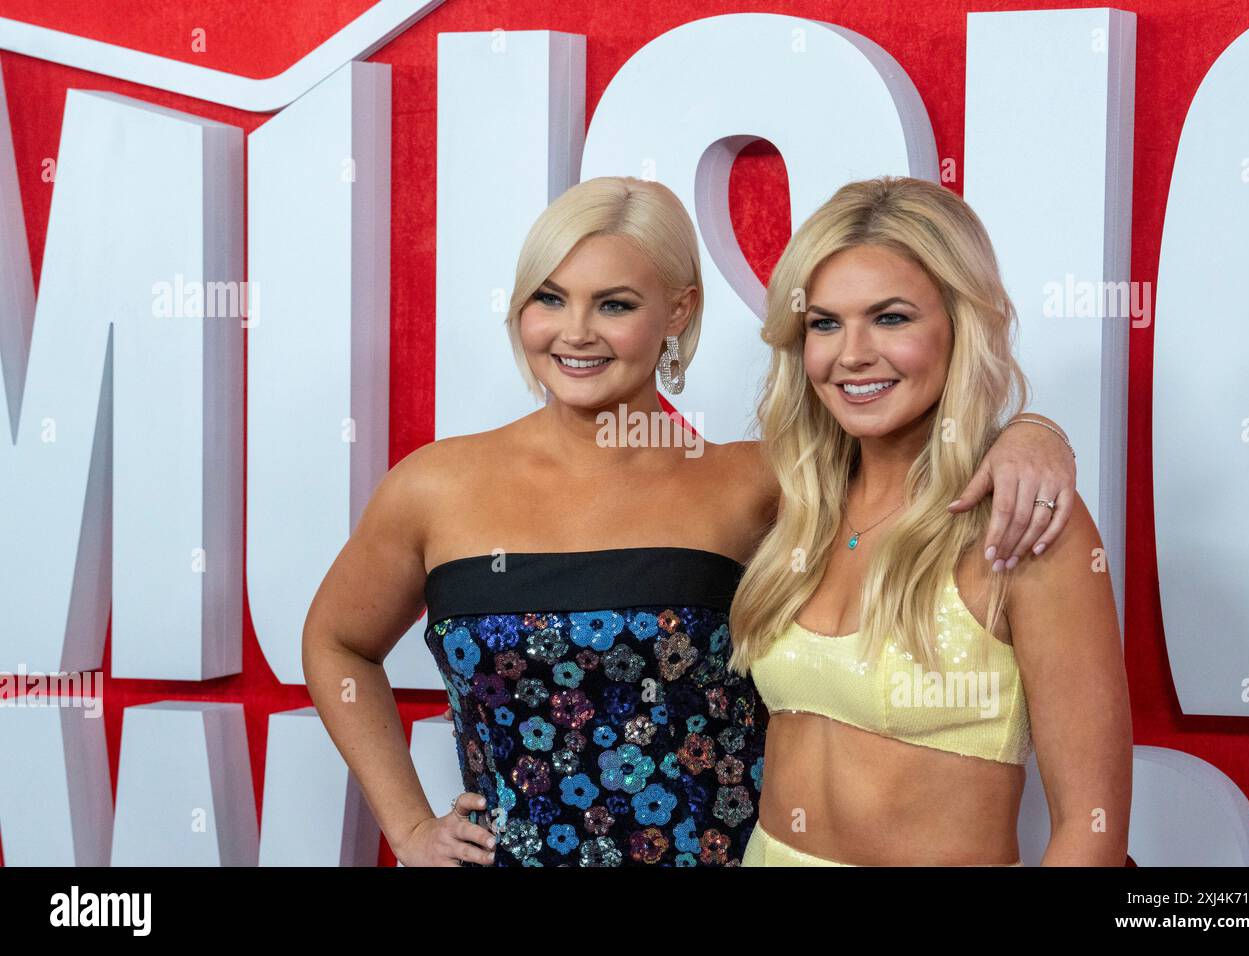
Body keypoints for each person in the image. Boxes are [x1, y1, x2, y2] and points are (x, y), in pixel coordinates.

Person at [302, 175, 1079, 866]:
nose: (575, 332)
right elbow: (338, 641)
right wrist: (407, 828)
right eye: (549, 297)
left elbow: (912, 446)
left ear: (678, 311)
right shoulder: (433, 485)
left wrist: (1033, 435)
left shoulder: (768, 479)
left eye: (614, 304)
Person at [728, 176, 1132, 867]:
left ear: (960, 323)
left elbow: (1089, 829)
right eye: (824, 322)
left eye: (891, 318)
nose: (851, 353)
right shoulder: (790, 499)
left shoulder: (1023, 522)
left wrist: (1033, 432)